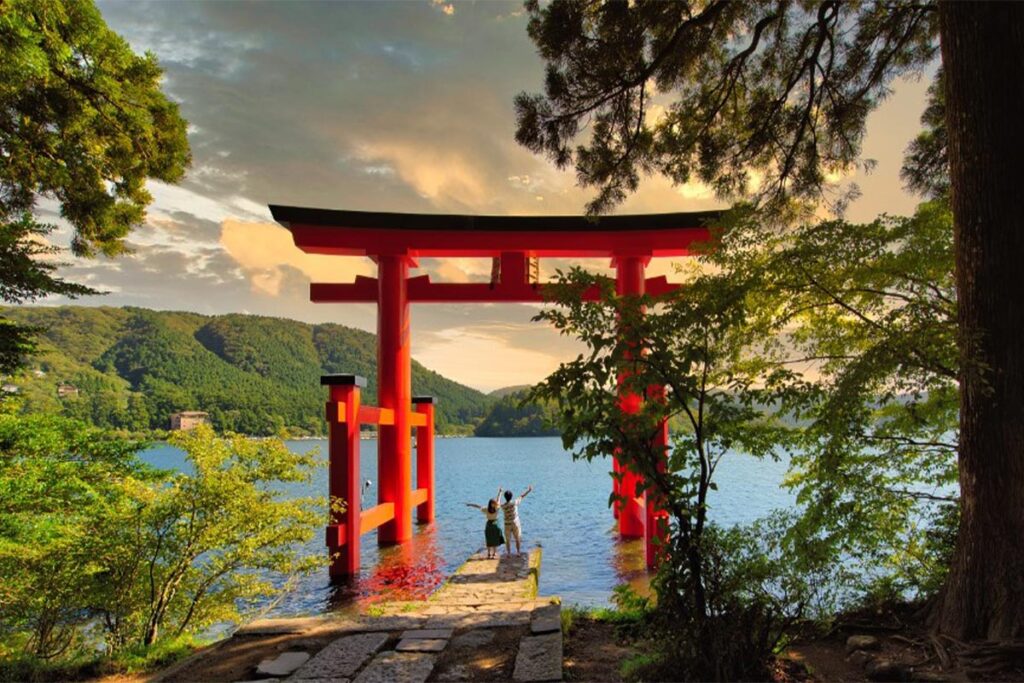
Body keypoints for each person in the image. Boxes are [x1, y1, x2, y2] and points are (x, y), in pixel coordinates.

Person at [500, 484, 533, 556]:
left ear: (505, 497)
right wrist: (528, 490)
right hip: (515, 523)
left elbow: (497, 504)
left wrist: (500, 492)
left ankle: (508, 553)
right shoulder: (514, 502)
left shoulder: (503, 506)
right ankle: (518, 552)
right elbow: (522, 496)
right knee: (517, 538)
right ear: (511, 496)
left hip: (507, 524)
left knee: (507, 540)